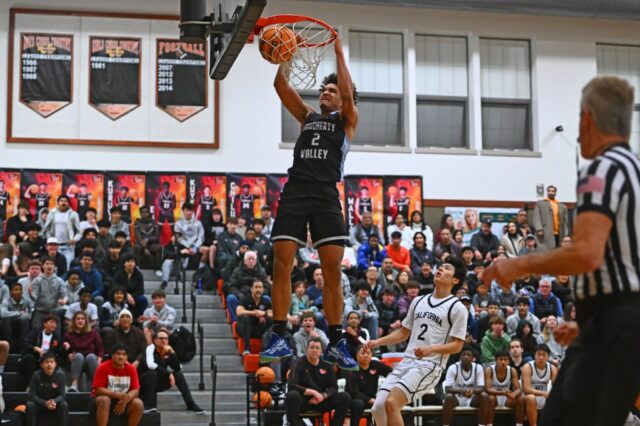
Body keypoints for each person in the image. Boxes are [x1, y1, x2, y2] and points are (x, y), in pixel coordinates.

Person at [260, 35, 359, 370]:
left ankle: (337, 339)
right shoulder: (307, 117)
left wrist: (338, 52)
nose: (325, 93)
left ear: (344, 100)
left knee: (331, 271)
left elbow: (346, 91)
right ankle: (277, 335)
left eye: (331, 91)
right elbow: (279, 84)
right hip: (297, 190)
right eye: (323, 90)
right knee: (282, 263)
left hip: (326, 195)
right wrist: (286, 52)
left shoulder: (347, 122)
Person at [366, 257, 468, 426]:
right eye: (440, 267)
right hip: (407, 362)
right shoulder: (418, 301)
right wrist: (376, 342)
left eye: (447, 268)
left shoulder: (457, 308)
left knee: (392, 403)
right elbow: (403, 333)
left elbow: (458, 346)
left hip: (429, 366)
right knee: (378, 407)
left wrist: (432, 349)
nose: (440, 269)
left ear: (455, 280)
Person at [285, 338, 352, 426]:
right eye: (312, 347)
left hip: (321, 400)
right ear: (306, 349)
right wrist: (313, 393)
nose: (314, 350)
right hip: (304, 400)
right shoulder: (298, 362)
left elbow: (334, 387)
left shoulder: (326, 364)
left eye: (317, 348)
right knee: (292, 395)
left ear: (321, 351)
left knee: (345, 397)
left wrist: (323, 396)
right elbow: (292, 384)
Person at [138, 328, 205, 413]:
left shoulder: (168, 351)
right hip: (143, 383)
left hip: (157, 382)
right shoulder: (150, 348)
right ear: (155, 340)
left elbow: (178, 368)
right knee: (152, 374)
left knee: (178, 374)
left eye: (166, 338)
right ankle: (149, 405)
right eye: (161, 338)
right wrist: (169, 374)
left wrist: (173, 354)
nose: (164, 341)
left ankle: (190, 404)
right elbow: (150, 365)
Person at [90, 343, 144, 426]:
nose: (121, 357)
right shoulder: (103, 367)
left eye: (124, 354)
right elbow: (98, 389)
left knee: (138, 404)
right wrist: (117, 395)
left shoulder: (131, 369)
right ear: (112, 355)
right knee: (105, 400)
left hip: (123, 399)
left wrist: (126, 399)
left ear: (127, 357)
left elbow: (136, 390)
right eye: (118, 354)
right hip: (102, 399)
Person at [346, 344, 392, 426]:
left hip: (372, 398)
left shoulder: (375, 365)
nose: (366, 355)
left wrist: (388, 385)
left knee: (387, 403)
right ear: (357, 356)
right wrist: (370, 400)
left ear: (371, 355)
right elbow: (354, 392)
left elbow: (392, 372)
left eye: (368, 353)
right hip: (355, 399)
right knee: (359, 404)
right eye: (363, 353)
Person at [441, 346, 488, 426]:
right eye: (463, 355)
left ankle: (482, 424)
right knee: (448, 396)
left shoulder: (478, 368)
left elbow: (481, 388)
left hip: (471, 398)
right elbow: (447, 388)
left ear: (473, 358)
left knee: (484, 396)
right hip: (457, 398)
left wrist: (472, 391)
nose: (466, 357)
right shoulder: (453, 367)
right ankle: (445, 425)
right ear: (460, 357)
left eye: (468, 355)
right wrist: (463, 391)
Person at [25, 351, 68, 426]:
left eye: (52, 362)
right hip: (40, 405)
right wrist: (45, 403)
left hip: (54, 405)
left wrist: (54, 401)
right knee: (30, 404)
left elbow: (62, 395)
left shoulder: (60, 375)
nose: (49, 364)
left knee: (64, 405)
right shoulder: (36, 375)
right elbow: (32, 395)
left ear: (55, 364)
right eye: (46, 362)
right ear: (41, 364)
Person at [64, 310, 103, 392]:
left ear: (86, 321)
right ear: (74, 321)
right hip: (76, 361)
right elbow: (64, 351)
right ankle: (74, 385)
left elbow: (100, 348)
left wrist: (100, 358)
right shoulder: (68, 334)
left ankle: (96, 386)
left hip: (91, 360)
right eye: (78, 319)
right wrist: (68, 355)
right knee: (78, 355)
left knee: (91, 356)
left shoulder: (93, 333)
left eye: (82, 318)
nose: (80, 321)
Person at [19, 314, 64, 385]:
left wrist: (65, 345)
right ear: (45, 323)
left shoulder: (57, 337)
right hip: (36, 357)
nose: (54, 325)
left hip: (49, 358)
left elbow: (60, 351)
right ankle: (30, 385)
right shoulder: (36, 332)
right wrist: (36, 348)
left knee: (55, 361)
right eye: (52, 322)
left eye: (56, 323)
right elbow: (25, 344)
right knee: (28, 358)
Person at [484, 349, 525, 426]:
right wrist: (503, 392)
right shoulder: (489, 370)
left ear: (509, 361)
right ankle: (489, 424)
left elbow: (519, 389)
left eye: (505, 359)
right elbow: (487, 389)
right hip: (494, 398)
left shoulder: (512, 370)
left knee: (521, 398)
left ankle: (519, 424)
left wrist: (514, 394)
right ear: (496, 360)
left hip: (507, 399)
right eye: (500, 359)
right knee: (490, 398)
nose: (503, 362)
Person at [521, 344, 557, 426]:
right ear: (534, 355)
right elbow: (526, 389)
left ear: (548, 356)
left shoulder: (552, 368)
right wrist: (544, 393)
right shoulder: (527, 367)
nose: (541, 357)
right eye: (539, 354)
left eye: (544, 355)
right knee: (531, 398)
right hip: (527, 398)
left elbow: (556, 389)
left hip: (543, 397)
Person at [42, 195, 82, 268]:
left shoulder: (73, 214)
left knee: (67, 266)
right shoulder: (52, 214)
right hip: (55, 247)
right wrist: (50, 240)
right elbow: (47, 229)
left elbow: (79, 232)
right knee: (54, 266)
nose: (63, 203)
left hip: (69, 247)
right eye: (61, 201)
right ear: (58, 202)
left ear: (68, 203)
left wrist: (75, 239)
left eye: (66, 201)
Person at [236, 280, 272, 356]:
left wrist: (264, 314)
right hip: (244, 328)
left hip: (258, 328)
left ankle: (265, 350)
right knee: (245, 318)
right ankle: (247, 349)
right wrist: (254, 313)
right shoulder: (245, 299)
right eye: (256, 287)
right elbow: (239, 311)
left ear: (263, 289)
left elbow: (272, 314)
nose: (258, 289)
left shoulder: (266, 301)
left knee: (270, 320)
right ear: (251, 289)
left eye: (260, 287)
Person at [31, 256, 67, 328]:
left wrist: (64, 301)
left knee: (57, 334)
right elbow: (34, 296)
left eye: (51, 264)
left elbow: (65, 295)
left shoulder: (59, 281)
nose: (49, 265)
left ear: (54, 266)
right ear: (43, 266)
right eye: (47, 263)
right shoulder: (37, 280)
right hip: (39, 311)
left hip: (54, 312)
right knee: (36, 331)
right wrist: (30, 293)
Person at [532, 185, 569, 250]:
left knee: (558, 250)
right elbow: (536, 217)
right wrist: (539, 229)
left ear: (555, 193)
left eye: (552, 191)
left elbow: (565, 222)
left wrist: (566, 234)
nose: (551, 192)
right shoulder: (540, 203)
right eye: (549, 191)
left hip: (559, 232)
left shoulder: (562, 206)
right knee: (545, 250)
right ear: (547, 192)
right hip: (545, 231)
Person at [1, 281, 33, 352]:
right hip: (10, 323)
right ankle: (10, 346)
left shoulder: (26, 301)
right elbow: (2, 314)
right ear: (11, 292)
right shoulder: (6, 301)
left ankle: (23, 347)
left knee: (25, 318)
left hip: (22, 322)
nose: (18, 292)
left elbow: (29, 315)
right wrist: (19, 313)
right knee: (6, 320)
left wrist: (20, 315)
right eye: (16, 290)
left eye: (20, 290)